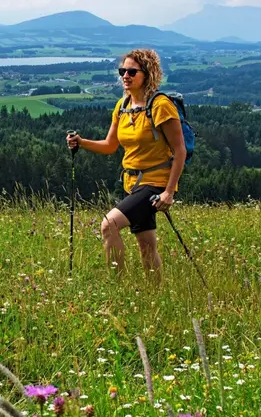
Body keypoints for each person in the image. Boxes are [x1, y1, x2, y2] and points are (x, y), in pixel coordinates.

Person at [66, 48, 187, 280]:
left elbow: (179, 150)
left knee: (108, 225)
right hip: (131, 182)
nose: (125, 75)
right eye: (123, 71)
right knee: (146, 245)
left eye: (132, 71)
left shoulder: (161, 106)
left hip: (155, 184)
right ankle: (155, 296)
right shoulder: (123, 106)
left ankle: (119, 287)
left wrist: (169, 192)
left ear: (148, 74)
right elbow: (110, 146)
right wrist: (81, 143)